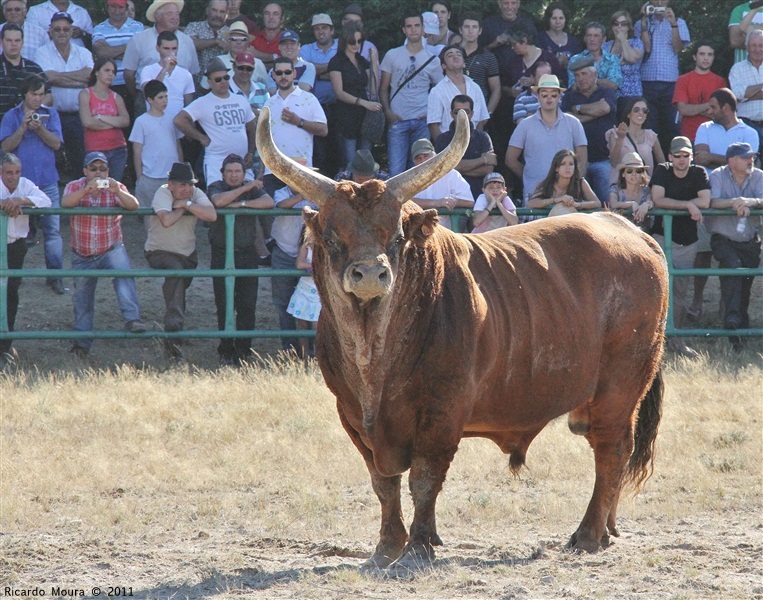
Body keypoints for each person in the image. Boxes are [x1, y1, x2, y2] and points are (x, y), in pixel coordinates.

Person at [61, 151, 145, 358]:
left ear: (108, 170)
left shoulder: (116, 186)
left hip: (110, 247)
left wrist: (118, 192)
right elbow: (65, 204)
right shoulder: (75, 186)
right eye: (94, 168)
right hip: (82, 252)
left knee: (124, 274)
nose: (98, 173)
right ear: (85, 171)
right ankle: (81, 344)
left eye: (102, 168)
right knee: (82, 299)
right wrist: (85, 191)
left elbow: (134, 205)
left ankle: (132, 319)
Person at [145, 161, 216, 362]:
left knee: (178, 292)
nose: (187, 189)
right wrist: (188, 209)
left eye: (190, 184)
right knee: (176, 280)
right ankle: (173, 337)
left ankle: (175, 331)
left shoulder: (194, 194)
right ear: (171, 185)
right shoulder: (162, 193)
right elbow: (166, 221)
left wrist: (186, 205)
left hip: (187, 254)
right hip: (159, 251)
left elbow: (211, 216)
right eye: (183, 185)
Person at [207, 153, 274, 366]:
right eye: (230, 171)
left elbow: (268, 202)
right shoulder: (216, 186)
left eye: (238, 171)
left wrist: (240, 204)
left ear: (243, 173)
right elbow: (218, 201)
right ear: (223, 173)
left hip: (247, 253)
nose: (234, 175)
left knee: (247, 304)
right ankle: (226, 350)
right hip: (221, 253)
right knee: (224, 304)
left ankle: (244, 351)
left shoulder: (252, 188)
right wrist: (246, 190)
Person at [0, 74, 64, 294]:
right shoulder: (11, 116)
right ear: (24, 94)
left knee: (53, 231)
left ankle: (55, 276)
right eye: (34, 94)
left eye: (41, 94)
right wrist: (23, 128)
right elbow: (6, 147)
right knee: (18, 232)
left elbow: (57, 144)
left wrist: (40, 129)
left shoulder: (51, 114)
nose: (38, 99)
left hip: (47, 179)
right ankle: (14, 275)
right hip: (19, 183)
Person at [650, 136, 711, 357]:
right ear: (670, 157)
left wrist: (689, 205)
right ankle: (653, 341)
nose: (682, 160)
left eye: (686, 155)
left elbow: (705, 201)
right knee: (656, 290)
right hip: (660, 238)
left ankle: (675, 341)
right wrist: (687, 204)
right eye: (678, 156)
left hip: (687, 242)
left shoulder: (699, 173)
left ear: (691, 157)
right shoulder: (661, 170)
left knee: (680, 293)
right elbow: (658, 199)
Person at [706, 142, 763, 350]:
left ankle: (739, 331)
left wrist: (751, 202)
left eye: (752, 156)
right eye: (746, 157)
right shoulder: (718, 175)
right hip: (723, 238)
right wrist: (734, 202)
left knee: (745, 282)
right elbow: (712, 201)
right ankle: (731, 320)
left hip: (749, 239)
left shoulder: (758, 175)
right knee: (732, 265)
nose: (751, 160)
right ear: (732, 161)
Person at [0, 152, 51, 365]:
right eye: (8, 172)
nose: (13, 177)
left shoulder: (26, 184)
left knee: (11, 293)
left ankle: (4, 345)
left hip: (16, 247)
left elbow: (46, 201)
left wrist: (20, 200)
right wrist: (4, 203)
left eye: (17, 172)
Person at [174, 56, 257, 186]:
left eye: (226, 77)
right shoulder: (202, 102)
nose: (223, 81)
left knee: (249, 194)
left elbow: (252, 128)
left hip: (241, 163)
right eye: (218, 79)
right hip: (216, 162)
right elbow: (179, 120)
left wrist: (251, 153)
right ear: (209, 82)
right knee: (218, 199)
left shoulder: (241, 100)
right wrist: (200, 137)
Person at [506, 73, 587, 205]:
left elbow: (582, 159)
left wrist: (575, 184)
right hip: (534, 195)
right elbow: (510, 159)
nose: (549, 99)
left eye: (554, 95)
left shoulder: (574, 123)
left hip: (567, 195)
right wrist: (529, 177)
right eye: (544, 95)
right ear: (537, 97)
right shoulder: (525, 125)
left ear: (560, 97)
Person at [379, 13, 443, 176]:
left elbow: (440, 91)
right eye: (409, 26)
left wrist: (431, 114)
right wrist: (388, 112)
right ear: (404, 30)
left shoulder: (433, 60)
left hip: (422, 121)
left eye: (417, 25)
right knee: (396, 172)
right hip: (398, 121)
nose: (413, 29)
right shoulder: (392, 55)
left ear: (423, 29)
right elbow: (383, 87)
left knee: (420, 172)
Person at [34, 11, 93, 175]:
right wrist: (78, 81)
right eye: (57, 29)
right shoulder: (41, 52)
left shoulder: (83, 52)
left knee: (79, 161)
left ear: (72, 30)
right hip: (53, 114)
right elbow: (47, 77)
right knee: (54, 161)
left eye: (66, 29)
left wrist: (57, 77)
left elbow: (89, 76)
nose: (62, 33)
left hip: (78, 115)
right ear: (50, 31)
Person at [270, 159, 317, 353]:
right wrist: (301, 196)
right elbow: (281, 204)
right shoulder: (281, 193)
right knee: (284, 302)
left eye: (304, 175)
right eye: (296, 175)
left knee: (314, 305)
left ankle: (313, 352)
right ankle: (290, 349)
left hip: (309, 257)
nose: (300, 179)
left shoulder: (315, 196)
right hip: (284, 252)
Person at [262, 56, 327, 196]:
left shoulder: (309, 99)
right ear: (273, 75)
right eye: (279, 73)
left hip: (301, 169)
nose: (283, 76)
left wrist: (299, 122)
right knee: (274, 216)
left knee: (302, 215)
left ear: (294, 74)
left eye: (287, 72)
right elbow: (264, 142)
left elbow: (323, 130)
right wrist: (260, 173)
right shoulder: (268, 103)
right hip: (273, 171)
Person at [634, 0, 691, 154]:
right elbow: (644, 47)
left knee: (671, 126)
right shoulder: (641, 23)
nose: (659, 3)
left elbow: (678, 48)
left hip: (670, 83)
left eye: (663, 0)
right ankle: (652, 166)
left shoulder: (679, 22)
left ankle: (673, 163)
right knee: (649, 126)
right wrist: (644, 19)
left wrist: (673, 24)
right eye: (656, 1)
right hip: (647, 81)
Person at [561, 55, 617, 204]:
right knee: (579, 205)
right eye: (577, 75)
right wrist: (595, 113)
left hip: (604, 159)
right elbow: (568, 119)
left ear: (595, 75)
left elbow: (605, 108)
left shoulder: (607, 92)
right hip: (576, 163)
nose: (580, 78)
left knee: (607, 205)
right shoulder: (569, 97)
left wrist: (578, 109)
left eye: (584, 74)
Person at [122, 0, 200, 104]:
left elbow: (193, 74)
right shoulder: (139, 40)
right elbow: (128, 74)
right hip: (147, 100)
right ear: (157, 16)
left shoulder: (187, 41)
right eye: (170, 14)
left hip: (179, 100)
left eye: (177, 13)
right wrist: (140, 97)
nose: (175, 17)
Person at [328, 22, 380, 165]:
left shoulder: (362, 61)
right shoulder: (336, 62)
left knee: (366, 163)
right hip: (346, 117)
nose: (356, 45)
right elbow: (339, 93)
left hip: (365, 118)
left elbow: (373, 89)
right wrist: (364, 103)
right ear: (344, 41)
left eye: (359, 41)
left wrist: (374, 62)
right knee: (350, 163)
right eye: (352, 41)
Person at [128, 79, 182, 212]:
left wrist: (181, 167)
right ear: (150, 100)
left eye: (166, 97)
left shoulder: (172, 118)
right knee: (149, 215)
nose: (164, 101)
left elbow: (177, 145)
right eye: (160, 97)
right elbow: (137, 151)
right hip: (150, 176)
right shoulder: (141, 121)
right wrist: (140, 178)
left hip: (171, 176)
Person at [78, 57, 130, 181]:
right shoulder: (85, 94)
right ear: (96, 72)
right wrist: (114, 122)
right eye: (107, 70)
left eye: (113, 72)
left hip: (118, 148)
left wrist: (100, 117)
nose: (110, 74)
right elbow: (87, 122)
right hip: (95, 149)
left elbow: (125, 121)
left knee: (114, 187)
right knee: (96, 187)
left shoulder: (117, 97)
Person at [300, 13, 339, 177]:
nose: (321, 32)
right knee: (318, 152)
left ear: (332, 30)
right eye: (317, 29)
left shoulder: (341, 46)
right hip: (315, 109)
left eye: (324, 28)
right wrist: (333, 69)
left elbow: (343, 70)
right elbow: (306, 70)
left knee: (338, 150)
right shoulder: (305, 49)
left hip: (339, 108)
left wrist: (316, 71)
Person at [434, 95, 495, 199]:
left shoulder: (483, 137)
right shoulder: (442, 140)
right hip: (449, 198)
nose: (462, 116)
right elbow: (443, 169)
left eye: (466, 112)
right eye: (458, 112)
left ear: (472, 113)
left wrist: (456, 167)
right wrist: (483, 160)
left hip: (478, 196)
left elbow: (488, 169)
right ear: (451, 114)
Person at [410, 137, 474, 231]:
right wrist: (438, 203)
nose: (423, 161)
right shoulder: (409, 178)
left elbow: (469, 201)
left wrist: (451, 201)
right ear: (414, 162)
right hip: (419, 235)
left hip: (448, 233)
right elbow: (405, 201)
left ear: (435, 155)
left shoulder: (451, 174)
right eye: (418, 158)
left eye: (426, 156)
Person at [427, 45, 489, 141]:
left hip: (473, 143)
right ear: (444, 65)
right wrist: (444, 149)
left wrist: (477, 143)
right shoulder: (437, 91)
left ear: (464, 63)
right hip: (449, 144)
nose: (455, 57)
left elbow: (481, 120)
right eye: (450, 55)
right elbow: (433, 125)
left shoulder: (475, 87)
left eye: (458, 54)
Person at [673, 42, 727, 142]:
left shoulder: (720, 82)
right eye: (702, 54)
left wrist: (693, 110)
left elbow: (721, 114)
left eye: (710, 54)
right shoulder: (683, 80)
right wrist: (710, 105)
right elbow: (683, 109)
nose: (706, 58)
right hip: (689, 137)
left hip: (714, 137)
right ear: (694, 57)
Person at [695, 88, 760, 171]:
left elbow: (746, 165)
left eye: (713, 107)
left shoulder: (750, 133)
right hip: (709, 183)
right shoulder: (704, 127)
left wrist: (711, 157)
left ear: (725, 107)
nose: (709, 112)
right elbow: (701, 160)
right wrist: (733, 163)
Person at [91, 0, 143, 103]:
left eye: (120, 7)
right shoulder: (98, 28)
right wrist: (129, 46)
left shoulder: (138, 26)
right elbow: (101, 53)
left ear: (126, 8)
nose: (116, 11)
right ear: (107, 8)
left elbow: (139, 54)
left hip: (133, 83)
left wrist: (110, 51)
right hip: (109, 84)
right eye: (113, 7)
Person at [606, 96, 665, 185]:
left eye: (644, 111)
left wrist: (657, 183)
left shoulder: (651, 136)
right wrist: (620, 139)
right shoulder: (615, 133)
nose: (640, 113)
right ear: (628, 114)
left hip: (645, 186)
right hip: (621, 186)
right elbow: (614, 162)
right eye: (636, 110)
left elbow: (663, 165)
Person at [138, 30, 195, 121]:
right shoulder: (148, 70)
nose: (171, 52)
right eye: (166, 48)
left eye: (174, 48)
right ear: (158, 48)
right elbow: (149, 92)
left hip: (178, 127)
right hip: (155, 124)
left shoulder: (185, 74)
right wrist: (164, 69)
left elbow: (189, 107)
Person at [527, 148, 601, 216]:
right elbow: (530, 204)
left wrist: (578, 205)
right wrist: (555, 200)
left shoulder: (581, 183)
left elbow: (597, 203)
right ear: (556, 168)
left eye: (571, 164)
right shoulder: (548, 184)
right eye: (563, 164)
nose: (567, 167)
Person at [0, 23, 50, 122]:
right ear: (1, 42)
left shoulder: (34, 68)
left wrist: (31, 110)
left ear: (22, 42)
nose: (13, 44)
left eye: (17, 40)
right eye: (9, 40)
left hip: (29, 125)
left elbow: (49, 96)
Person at [454, 12, 500, 116]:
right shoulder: (450, 53)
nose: (470, 31)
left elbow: (496, 90)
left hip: (478, 112)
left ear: (480, 31)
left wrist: (487, 115)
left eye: (474, 27)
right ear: (461, 30)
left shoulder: (489, 57)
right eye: (466, 27)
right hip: (452, 111)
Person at [200, 20, 267, 90]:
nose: (238, 42)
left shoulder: (258, 63)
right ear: (228, 41)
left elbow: (266, 89)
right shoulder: (217, 61)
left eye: (243, 39)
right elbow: (205, 88)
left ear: (248, 43)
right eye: (234, 39)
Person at [286, 226, 321, 361]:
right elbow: (299, 264)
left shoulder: (325, 248)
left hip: (318, 292)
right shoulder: (306, 247)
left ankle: (318, 357)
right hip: (304, 290)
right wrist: (313, 266)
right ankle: (305, 355)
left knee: (316, 327)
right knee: (302, 325)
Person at [729, 29, 763, 154]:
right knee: (749, 165)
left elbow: (743, 94)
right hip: (747, 125)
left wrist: (748, 93)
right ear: (747, 48)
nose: (757, 49)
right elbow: (737, 94)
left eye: (761, 45)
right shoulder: (737, 69)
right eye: (753, 45)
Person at [567, 22, 622, 92]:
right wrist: (601, 82)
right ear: (585, 38)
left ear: (604, 39)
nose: (592, 39)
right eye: (589, 35)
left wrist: (589, 80)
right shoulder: (575, 60)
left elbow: (613, 85)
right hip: (583, 99)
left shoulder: (612, 59)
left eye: (596, 36)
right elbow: (573, 87)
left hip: (608, 100)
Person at [603, 11, 644, 103]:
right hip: (610, 95)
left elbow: (632, 58)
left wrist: (623, 40)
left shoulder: (636, 43)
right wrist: (618, 62)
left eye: (623, 24)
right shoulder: (605, 46)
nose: (619, 27)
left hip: (631, 95)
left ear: (629, 27)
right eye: (616, 24)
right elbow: (602, 69)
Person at [185, 0, 229, 85]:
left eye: (222, 11)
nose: (218, 15)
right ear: (207, 10)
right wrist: (215, 41)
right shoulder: (194, 27)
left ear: (227, 14)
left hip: (223, 86)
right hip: (195, 86)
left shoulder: (231, 33)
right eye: (214, 10)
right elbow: (189, 45)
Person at [608, 152, 654, 231]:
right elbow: (613, 204)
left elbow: (651, 201)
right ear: (623, 174)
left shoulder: (647, 189)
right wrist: (632, 204)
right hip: (620, 231)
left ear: (642, 173)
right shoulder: (615, 189)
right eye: (629, 171)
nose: (634, 174)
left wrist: (646, 205)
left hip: (645, 233)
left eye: (638, 171)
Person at [536, 1, 581, 77]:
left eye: (561, 18)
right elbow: (537, 65)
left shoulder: (574, 41)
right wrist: (556, 62)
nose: (558, 22)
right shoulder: (540, 39)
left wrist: (567, 64)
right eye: (554, 18)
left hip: (570, 84)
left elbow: (579, 66)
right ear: (548, 19)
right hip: (547, 83)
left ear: (565, 19)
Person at [266, 29, 315, 94]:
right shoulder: (273, 71)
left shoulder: (308, 67)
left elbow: (302, 91)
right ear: (279, 47)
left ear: (299, 46)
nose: (289, 47)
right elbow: (273, 93)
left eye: (292, 43)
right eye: (284, 44)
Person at [26, 0, 92, 48]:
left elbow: (93, 40)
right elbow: (30, 39)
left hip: (78, 59)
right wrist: (54, 32)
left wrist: (81, 33)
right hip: (47, 58)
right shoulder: (35, 11)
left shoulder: (82, 12)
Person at [249, 2, 283, 69]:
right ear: (263, 17)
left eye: (275, 14)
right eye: (267, 13)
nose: (271, 17)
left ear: (282, 19)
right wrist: (276, 58)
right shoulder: (252, 38)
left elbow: (288, 62)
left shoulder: (287, 40)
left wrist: (258, 54)